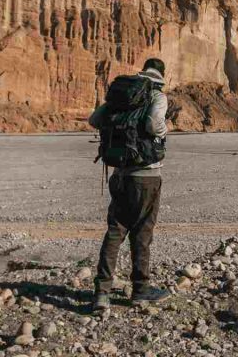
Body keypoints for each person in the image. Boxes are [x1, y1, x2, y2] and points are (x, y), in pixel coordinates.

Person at [89, 58, 171, 308]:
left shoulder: (123, 93)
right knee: (142, 233)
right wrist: (164, 131)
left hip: (120, 173)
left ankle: (102, 292)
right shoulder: (156, 95)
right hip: (146, 175)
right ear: (162, 73)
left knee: (115, 231)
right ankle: (140, 291)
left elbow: (94, 120)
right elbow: (153, 124)